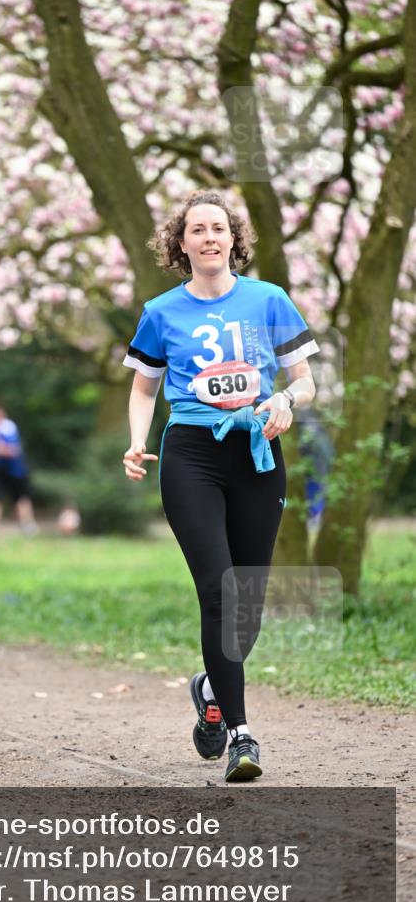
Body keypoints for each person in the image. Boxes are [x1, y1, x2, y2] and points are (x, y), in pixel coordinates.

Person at [122, 190, 319, 783]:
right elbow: (142, 389)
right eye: (196, 229)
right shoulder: (160, 311)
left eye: (219, 228)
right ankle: (240, 732)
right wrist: (136, 441)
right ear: (180, 244)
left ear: (234, 239)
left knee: (249, 599)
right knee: (219, 590)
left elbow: (305, 381)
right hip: (192, 455)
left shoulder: (269, 300)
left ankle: (209, 689)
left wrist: (283, 398)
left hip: (257, 450)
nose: (209, 237)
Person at [0, 405, 38, 535]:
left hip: (15, 470)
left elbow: (13, 450)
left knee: (20, 498)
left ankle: (27, 525)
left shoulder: (8, 428)